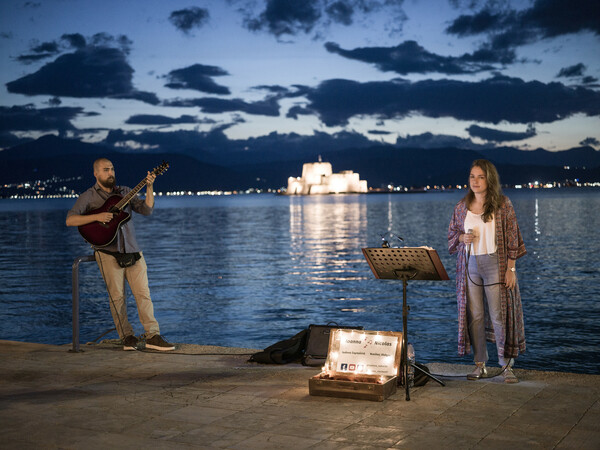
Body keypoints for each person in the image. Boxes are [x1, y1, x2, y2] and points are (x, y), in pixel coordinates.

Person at [66, 158, 174, 351]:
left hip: (132, 249)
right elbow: (71, 219)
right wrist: (97, 217)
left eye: (112, 169)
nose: (111, 173)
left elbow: (147, 210)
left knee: (143, 294)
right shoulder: (88, 196)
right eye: (106, 170)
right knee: (117, 298)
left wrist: (149, 187)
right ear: (96, 174)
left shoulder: (125, 192)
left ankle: (153, 336)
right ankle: (127, 337)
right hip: (107, 252)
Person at [448, 159, 526, 383]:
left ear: (489, 179)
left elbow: (513, 237)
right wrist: (462, 237)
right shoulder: (462, 206)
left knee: (499, 315)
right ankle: (479, 364)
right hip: (470, 265)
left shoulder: (503, 204)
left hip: (496, 263)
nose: (475, 181)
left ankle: (506, 366)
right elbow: (452, 237)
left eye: (480, 177)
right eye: (472, 176)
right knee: (475, 316)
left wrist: (511, 268)